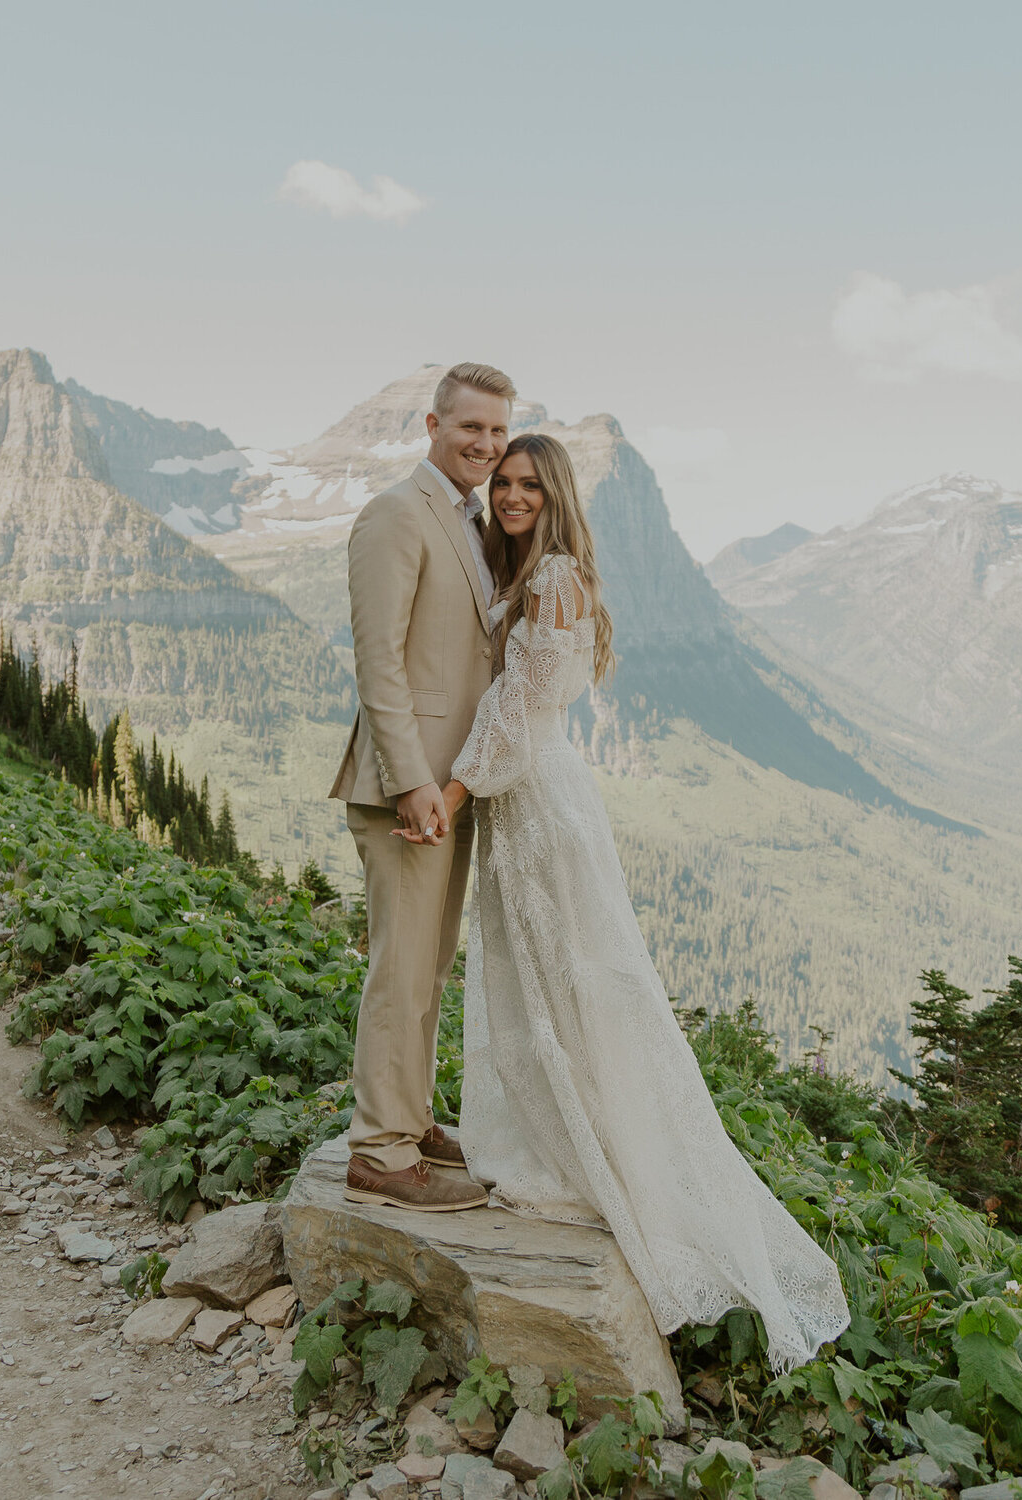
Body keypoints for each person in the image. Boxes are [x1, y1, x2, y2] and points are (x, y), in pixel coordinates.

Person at [406, 431, 850, 1371]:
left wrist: (446, 796)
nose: (513, 495)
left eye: (530, 483)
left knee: (573, 977)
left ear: (556, 493)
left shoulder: (557, 577)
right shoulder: (528, 570)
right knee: (534, 979)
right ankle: (555, 1132)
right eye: (505, 483)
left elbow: (516, 709)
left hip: (538, 804)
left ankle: (602, 1153)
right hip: (524, 803)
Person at [329, 361, 516, 1212]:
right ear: (433, 425)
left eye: (498, 431)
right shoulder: (396, 514)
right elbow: (381, 665)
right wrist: (411, 783)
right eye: (471, 427)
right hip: (406, 792)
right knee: (400, 969)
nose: (486, 444)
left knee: (428, 966)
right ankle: (379, 1150)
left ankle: (409, 1121)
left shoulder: (470, 522)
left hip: (453, 785)